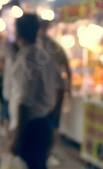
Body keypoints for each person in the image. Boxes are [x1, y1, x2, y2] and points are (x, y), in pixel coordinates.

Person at [9, 14, 64, 169]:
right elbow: (61, 86)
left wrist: (17, 138)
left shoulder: (26, 58)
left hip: (30, 128)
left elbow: (24, 102)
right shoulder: (44, 55)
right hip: (44, 123)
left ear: (18, 33)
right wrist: (53, 114)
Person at [38, 20, 72, 166]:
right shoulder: (49, 46)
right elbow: (67, 68)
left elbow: (66, 67)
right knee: (51, 125)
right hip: (50, 93)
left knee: (50, 124)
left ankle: (46, 153)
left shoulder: (45, 47)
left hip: (51, 93)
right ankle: (46, 153)